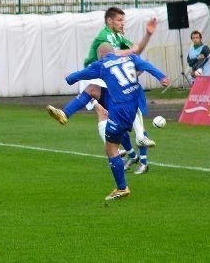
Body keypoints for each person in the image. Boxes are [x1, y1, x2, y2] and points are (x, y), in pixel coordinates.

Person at [46, 7, 157, 173]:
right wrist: (132, 53)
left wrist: (147, 35)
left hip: (108, 79)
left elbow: (136, 50)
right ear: (109, 21)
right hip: (99, 76)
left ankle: (132, 151)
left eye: (123, 20)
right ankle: (134, 146)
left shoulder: (118, 36)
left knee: (113, 114)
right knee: (109, 108)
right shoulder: (104, 36)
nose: (122, 23)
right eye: (119, 20)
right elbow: (114, 55)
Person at [65, 42, 169, 200]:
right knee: (93, 89)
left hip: (120, 109)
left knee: (110, 149)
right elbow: (146, 65)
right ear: (113, 52)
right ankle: (138, 144)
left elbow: (80, 74)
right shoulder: (129, 58)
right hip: (133, 104)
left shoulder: (102, 64)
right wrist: (161, 77)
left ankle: (122, 187)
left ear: (100, 54)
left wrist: (69, 79)